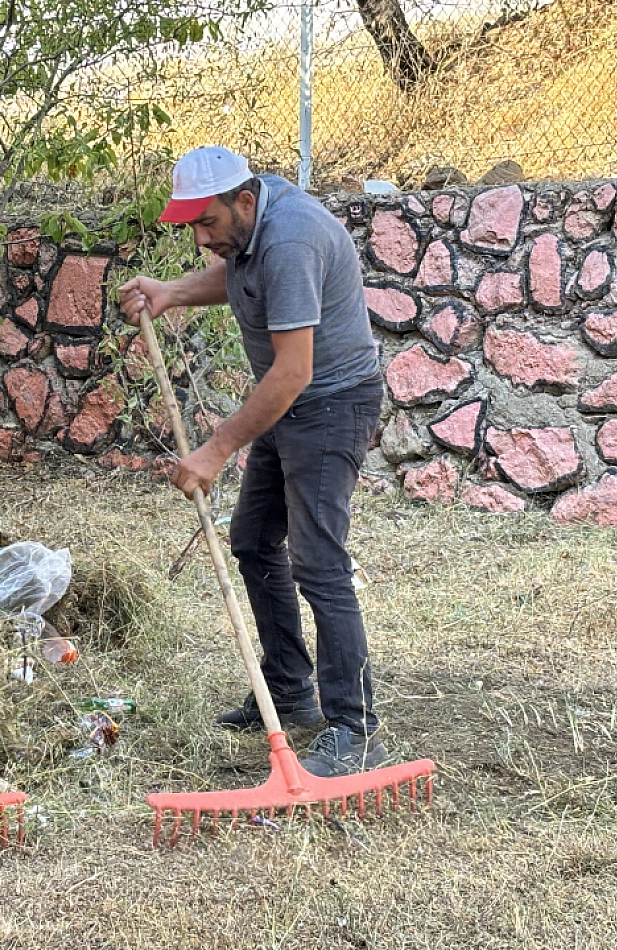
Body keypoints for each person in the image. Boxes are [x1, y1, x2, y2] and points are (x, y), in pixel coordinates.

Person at [118, 145, 389, 777]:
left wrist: (214, 450)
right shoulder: (250, 227)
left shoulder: (291, 241)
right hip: (289, 401)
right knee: (254, 540)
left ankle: (353, 728)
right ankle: (290, 689)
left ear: (244, 200)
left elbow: (293, 371)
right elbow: (238, 270)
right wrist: (172, 293)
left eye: (205, 223)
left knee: (319, 561)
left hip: (327, 403)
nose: (199, 237)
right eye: (191, 226)